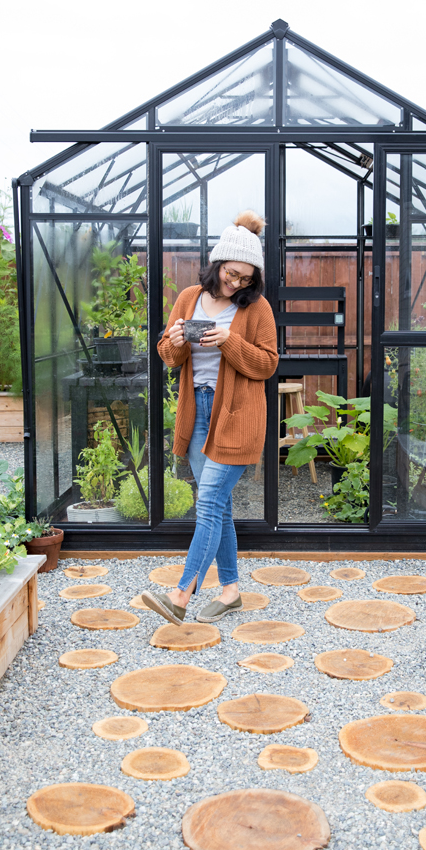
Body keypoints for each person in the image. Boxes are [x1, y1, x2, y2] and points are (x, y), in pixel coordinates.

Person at [141, 211, 278, 625]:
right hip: (197, 411)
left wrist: (230, 342)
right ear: (218, 263)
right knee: (218, 507)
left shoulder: (258, 309)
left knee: (209, 503)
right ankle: (232, 590)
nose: (237, 284)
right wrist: (177, 339)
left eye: (246, 279)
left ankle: (180, 595)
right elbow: (167, 355)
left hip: (237, 414)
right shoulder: (188, 298)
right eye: (232, 275)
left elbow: (268, 364)